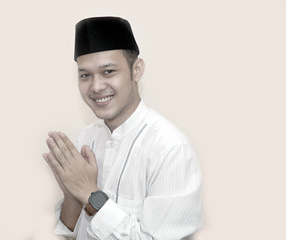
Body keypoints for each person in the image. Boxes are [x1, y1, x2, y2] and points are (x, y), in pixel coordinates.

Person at [43, 16, 202, 240]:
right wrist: (71, 193)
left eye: (108, 72)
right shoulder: (88, 137)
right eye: (85, 75)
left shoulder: (171, 149)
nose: (96, 86)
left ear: (136, 70)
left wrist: (89, 193)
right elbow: (71, 232)